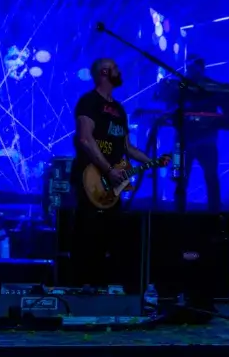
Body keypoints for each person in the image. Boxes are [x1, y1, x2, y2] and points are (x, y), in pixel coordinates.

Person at [71, 57, 154, 288]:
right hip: (90, 179)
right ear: (105, 73)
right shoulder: (88, 102)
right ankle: (81, 287)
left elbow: (127, 147)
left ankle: (106, 287)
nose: (120, 71)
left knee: (113, 235)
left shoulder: (119, 110)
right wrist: (107, 169)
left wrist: (153, 161)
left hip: (112, 185)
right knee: (88, 234)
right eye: (115, 69)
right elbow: (85, 138)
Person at [173, 55, 222, 213]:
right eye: (188, 68)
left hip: (206, 140)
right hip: (183, 140)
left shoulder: (210, 87)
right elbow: (172, 106)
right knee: (179, 177)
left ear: (201, 69)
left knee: (211, 177)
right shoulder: (181, 86)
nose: (189, 71)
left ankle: (214, 215)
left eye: (193, 68)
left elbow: (219, 104)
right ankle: (178, 213)